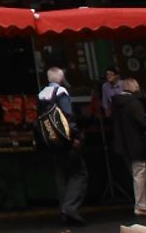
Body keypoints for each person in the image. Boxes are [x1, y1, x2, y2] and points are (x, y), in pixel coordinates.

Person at [38, 67, 87, 227]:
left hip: (52, 142)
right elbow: (68, 115)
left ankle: (64, 211)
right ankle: (70, 207)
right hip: (66, 141)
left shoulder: (41, 95)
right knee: (79, 174)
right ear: (60, 78)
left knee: (61, 175)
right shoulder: (61, 92)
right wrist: (75, 136)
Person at [111, 77, 146, 216]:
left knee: (138, 172)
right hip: (135, 144)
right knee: (139, 173)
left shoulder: (115, 103)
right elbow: (143, 123)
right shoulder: (134, 103)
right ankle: (141, 206)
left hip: (122, 144)